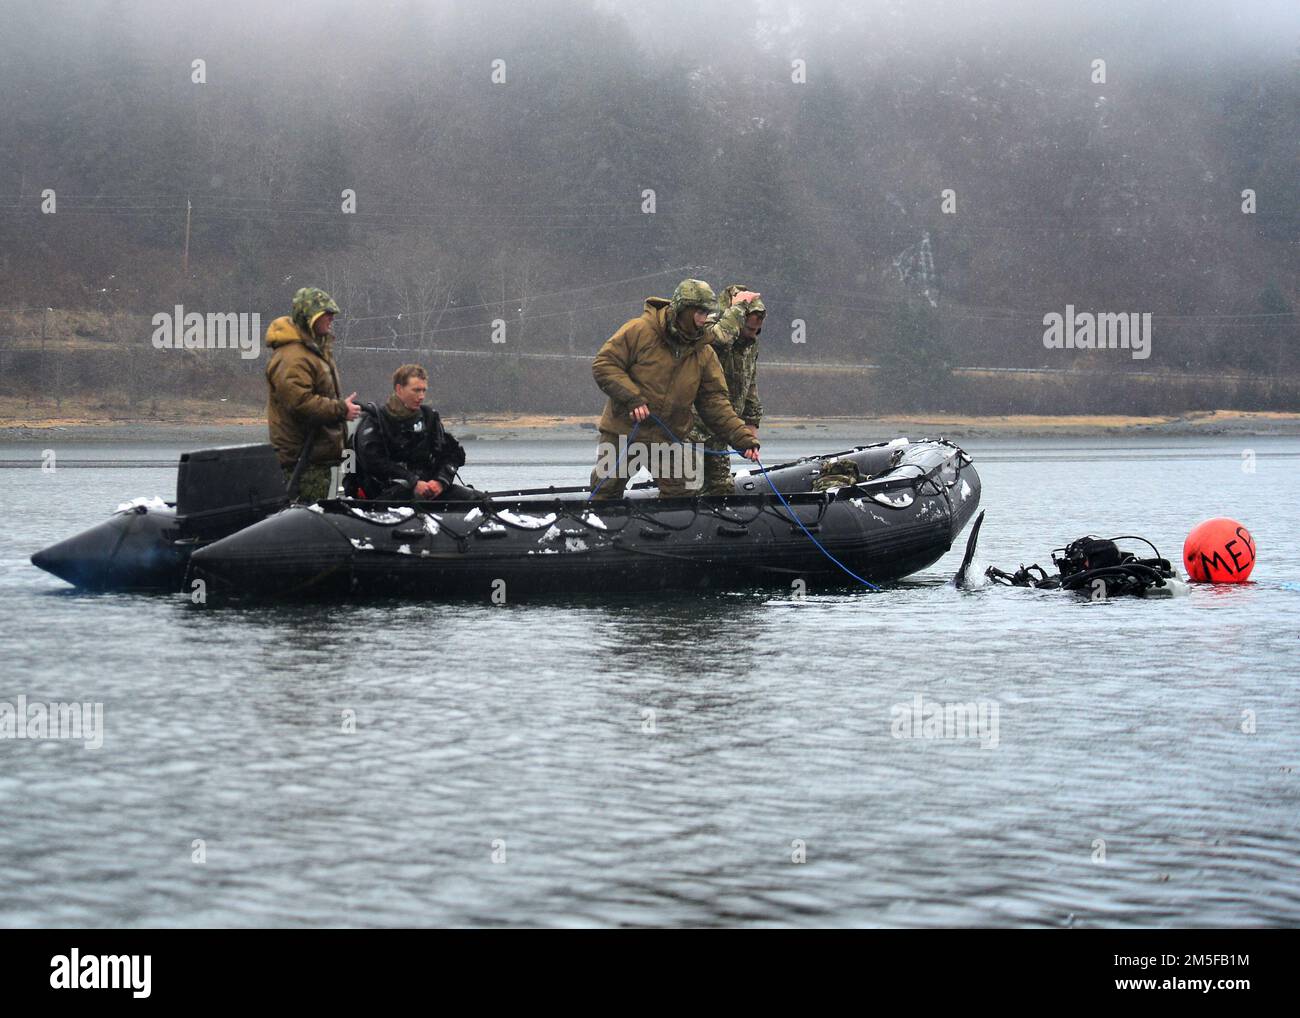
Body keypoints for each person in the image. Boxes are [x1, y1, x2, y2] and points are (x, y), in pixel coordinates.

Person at [589, 278, 760, 499]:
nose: (704, 319)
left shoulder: (703, 353)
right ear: (683, 310)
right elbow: (605, 365)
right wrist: (633, 398)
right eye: (700, 313)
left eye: (707, 313)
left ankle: (667, 532)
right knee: (604, 490)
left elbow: (715, 403)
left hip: (668, 437)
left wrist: (742, 439)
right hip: (623, 432)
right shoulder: (639, 331)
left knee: (686, 490)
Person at [265, 287, 360, 501]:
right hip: (302, 463)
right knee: (305, 519)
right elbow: (300, 404)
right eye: (326, 313)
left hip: (318, 461)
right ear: (311, 317)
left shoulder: (314, 352)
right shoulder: (293, 357)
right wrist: (341, 409)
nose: (332, 318)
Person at [347, 364, 478, 502]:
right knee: (402, 492)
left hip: (427, 490)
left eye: (423, 390)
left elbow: (453, 454)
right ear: (399, 389)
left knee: (477, 499)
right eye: (416, 390)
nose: (421, 396)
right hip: (385, 493)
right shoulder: (377, 421)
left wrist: (441, 481)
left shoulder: (429, 419)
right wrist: (412, 481)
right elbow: (373, 463)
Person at [690, 284, 765, 495]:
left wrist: (751, 422)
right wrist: (739, 307)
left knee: (721, 488)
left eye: (757, 329)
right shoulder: (708, 329)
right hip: (693, 429)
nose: (753, 334)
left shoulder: (750, 346)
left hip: (723, 429)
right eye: (749, 328)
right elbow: (719, 338)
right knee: (687, 490)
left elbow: (749, 382)